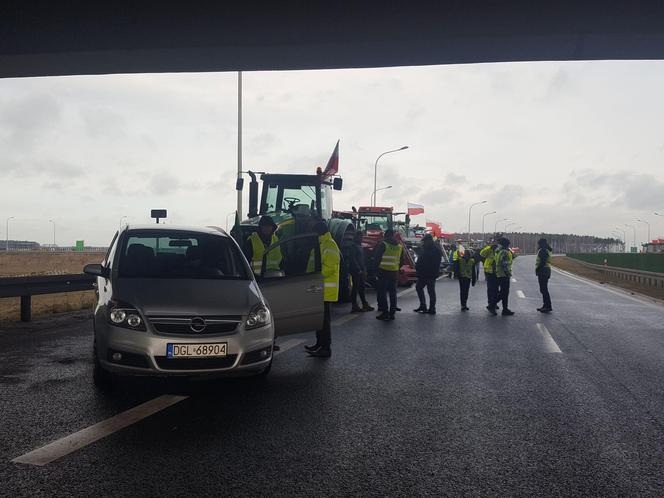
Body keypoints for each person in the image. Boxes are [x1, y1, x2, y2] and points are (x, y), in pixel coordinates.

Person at [244, 216, 283, 350]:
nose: (267, 229)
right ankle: (261, 342)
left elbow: (281, 260)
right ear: (260, 227)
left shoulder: (276, 240)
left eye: (269, 226)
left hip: (274, 280)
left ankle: (272, 341)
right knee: (261, 314)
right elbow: (245, 262)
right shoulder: (251, 241)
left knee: (274, 312)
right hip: (258, 281)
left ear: (273, 228)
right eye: (265, 226)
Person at [304, 221, 341, 358]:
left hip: (326, 290)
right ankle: (319, 344)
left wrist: (315, 277)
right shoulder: (320, 244)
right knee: (320, 320)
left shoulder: (329, 245)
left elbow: (330, 268)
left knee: (324, 321)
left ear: (319, 232)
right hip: (318, 288)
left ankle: (325, 348)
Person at [374, 229, 404, 321]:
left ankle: (385, 312)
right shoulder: (399, 246)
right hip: (394, 272)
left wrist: (375, 270)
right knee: (393, 293)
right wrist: (396, 268)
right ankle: (392, 313)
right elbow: (402, 261)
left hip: (383, 271)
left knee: (382, 292)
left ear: (385, 235)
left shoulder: (383, 244)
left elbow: (377, 258)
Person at [413, 234, 442, 314]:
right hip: (424, 274)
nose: (424, 242)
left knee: (430, 291)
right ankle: (424, 306)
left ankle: (431, 308)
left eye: (425, 241)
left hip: (429, 274)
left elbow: (434, 263)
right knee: (420, 288)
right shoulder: (428, 249)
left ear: (429, 241)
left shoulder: (434, 250)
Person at [347, 231, 374, 313]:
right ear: (357, 237)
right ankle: (354, 305)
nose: (362, 238)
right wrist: (358, 269)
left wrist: (364, 268)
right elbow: (353, 259)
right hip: (356, 271)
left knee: (361, 288)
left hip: (361, 270)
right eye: (360, 237)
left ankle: (364, 304)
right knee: (355, 288)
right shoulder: (353, 246)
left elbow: (362, 259)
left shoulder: (359, 246)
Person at [493, 237, 515, 316]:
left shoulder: (498, 251)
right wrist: (507, 273)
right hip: (504, 274)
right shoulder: (504, 252)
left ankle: (504, 308)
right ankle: (493, 304)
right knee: (504, 293)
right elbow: (504, 264)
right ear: (506, 244)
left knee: (504, 292)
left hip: (499, 274)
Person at [480, 238, 499, 313]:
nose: (495, 243)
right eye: (493, 242)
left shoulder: (500, 249)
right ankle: (490, 303)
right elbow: (482, 254)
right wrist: (490, 248)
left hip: (498, 271)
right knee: (491, 288)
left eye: (496, 242)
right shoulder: (488, 249)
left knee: (496, 289)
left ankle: (494, 303)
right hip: (489, 271)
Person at [536, 237, 553, 312]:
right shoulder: (547, 250)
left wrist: (538, 269)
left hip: (543, 270)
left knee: (544, 289)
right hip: (546, 270)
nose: (538, 245)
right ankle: (545, 305)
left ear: (542, 244)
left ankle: (548, 306)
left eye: (539, 244)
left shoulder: (543, 251)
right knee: (543, 289)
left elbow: (542, 261)